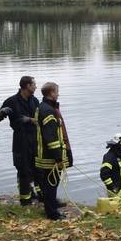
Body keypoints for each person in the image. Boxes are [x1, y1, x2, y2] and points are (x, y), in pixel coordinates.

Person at [0, 76, 41, 206]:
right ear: (27, 86)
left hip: (34, 137)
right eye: (34, 84)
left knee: (37, 167)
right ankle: (25, 200)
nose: (36, 87)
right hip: (20, 138)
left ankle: (39, 195)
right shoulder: (12, 101)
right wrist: (1, 113)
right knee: (23, 167)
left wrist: (31, 120)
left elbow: (39, 120)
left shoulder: (35, 101)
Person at [33, 82, 74, 221]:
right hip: (50, 157)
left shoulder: (42, 107)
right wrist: (59, 158)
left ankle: (50, 207)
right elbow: (51, 138)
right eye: (57, 91)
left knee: (48, 183)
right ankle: (52, 213)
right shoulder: (48, 111)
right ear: (51, 93)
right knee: (51, 184)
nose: (58, 93)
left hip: (44, 154)